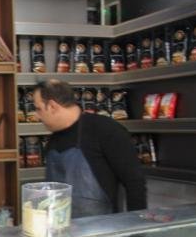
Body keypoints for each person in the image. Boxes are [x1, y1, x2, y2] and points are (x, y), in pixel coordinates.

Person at [32, 79, 147, 218]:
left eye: (38, 109)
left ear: (52, 106)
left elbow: (135, 183)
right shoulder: (53, 140)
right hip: (60, 228)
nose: (37, 115)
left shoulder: (105, 130)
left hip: (103, 228)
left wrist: (135, 229)